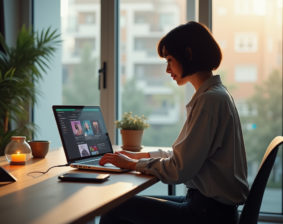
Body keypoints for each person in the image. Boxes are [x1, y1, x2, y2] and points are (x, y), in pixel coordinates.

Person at [99, 21, 249, 224]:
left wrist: (134, 164)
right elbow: (186, 156)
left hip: (208, 215)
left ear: (188, 54)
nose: (168, 69)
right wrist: (138, 156)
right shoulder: (215, 95)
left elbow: (179, 169)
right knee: (124, 203)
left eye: (169, 59)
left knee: (113, 209)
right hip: (208, 207)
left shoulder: (209, 101)